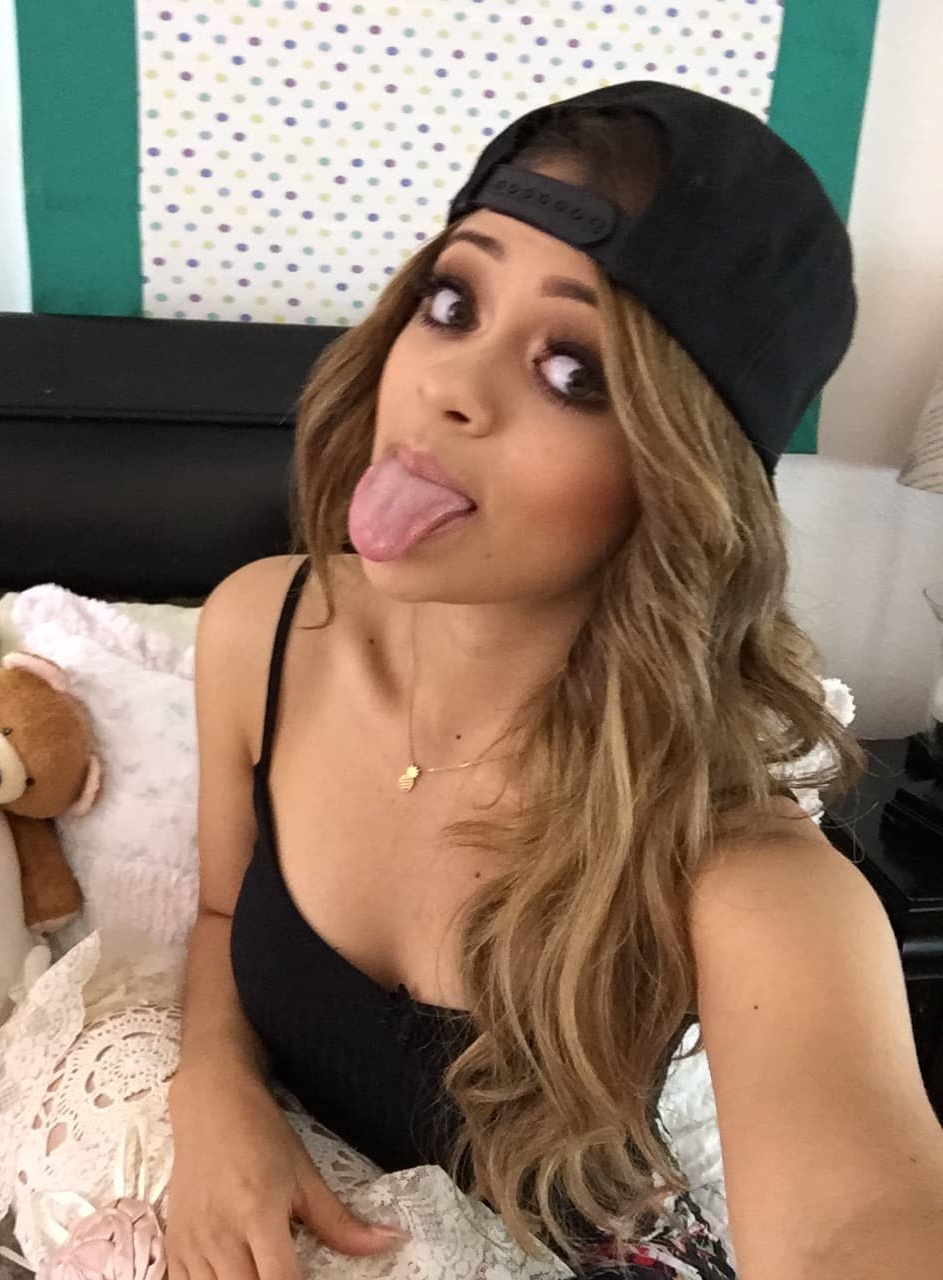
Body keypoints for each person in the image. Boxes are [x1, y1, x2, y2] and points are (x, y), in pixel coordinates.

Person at [163, 81, 865, 1280]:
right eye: (453, 303)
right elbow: (226, 914)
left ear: (677, 478)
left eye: (573, 370)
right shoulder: (258, 629)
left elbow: (861, 1211)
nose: (450, 387)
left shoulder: (739, 867)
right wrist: (214, 1083)